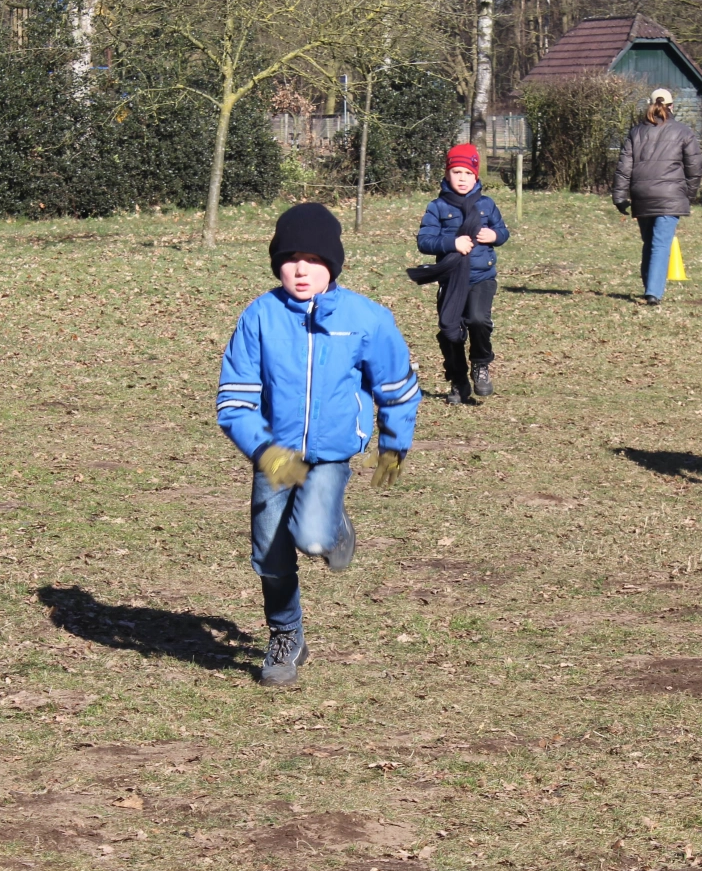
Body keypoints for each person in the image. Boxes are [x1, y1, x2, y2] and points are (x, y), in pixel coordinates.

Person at [216, 203, 421, 687]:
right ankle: (287, 635)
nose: (301, 269)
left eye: (313, 258)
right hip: (274, 455)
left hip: (331, 454)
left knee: (310, 536)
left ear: (334, 262)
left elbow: (397, 388)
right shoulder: (259, 317)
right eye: (290, 259)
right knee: (268, 552)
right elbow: (234, 401)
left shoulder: (366, 318)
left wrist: (392, 453)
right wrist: (267, 454)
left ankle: (333, 527)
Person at [412, 143, 510, 404]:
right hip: (451, 278)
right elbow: (424, 240)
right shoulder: (437, 207)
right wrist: (451, 244)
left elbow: (503, 232)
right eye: (456, 172)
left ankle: (480, 364)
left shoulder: (486, 205)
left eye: (467, 173)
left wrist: (495, 236)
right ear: (447, 175)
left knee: (478, 320)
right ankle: (458, 380)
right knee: (449, 331)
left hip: (481, 277)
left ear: (476, 176)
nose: (462, 178)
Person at [612, 89, 702, 305]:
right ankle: (653, 293)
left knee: (649, 242)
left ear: (649, 104)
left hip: (642, 195)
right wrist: (687, 194)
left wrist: (619, 197)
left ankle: (649, 286)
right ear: (672, 106)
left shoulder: (636, 132)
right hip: (670, 196)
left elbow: (624, 167)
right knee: (661, 244)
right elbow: (695, 168)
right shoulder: (683, 132)